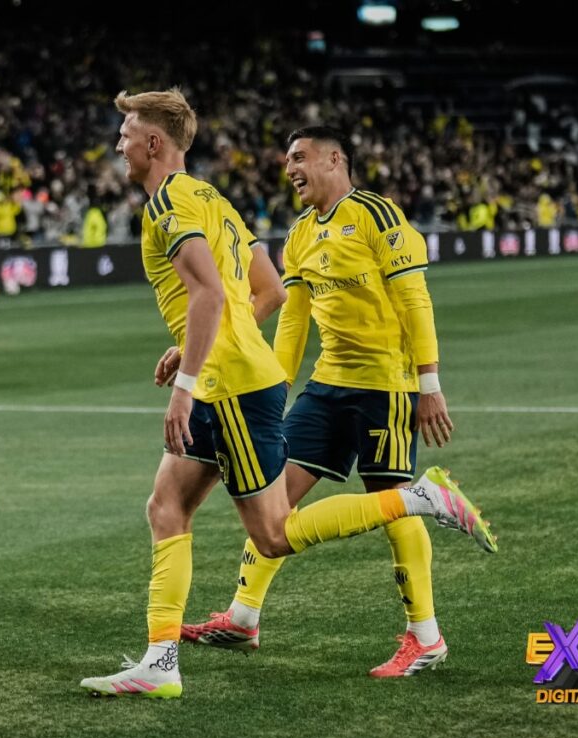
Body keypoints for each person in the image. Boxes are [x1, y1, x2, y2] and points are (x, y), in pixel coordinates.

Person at [79, 90, 496, 700]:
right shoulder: (214, 200)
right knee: (166, 506)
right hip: (269, 381)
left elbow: (210, 297)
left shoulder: (172, 203)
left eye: (125, 133)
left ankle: (421, 509)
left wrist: (188, 383)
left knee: (275, 530)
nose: (117, 143)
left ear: (153, 143)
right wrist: (227, 358)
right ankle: (173, 654)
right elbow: (273, 293)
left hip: (257, 386)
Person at [181, 126, 495, 678]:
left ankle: (426, 637)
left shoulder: (378, 216)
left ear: (335, 159)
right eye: (286, 161)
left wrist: (428, 384)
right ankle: (242, 617)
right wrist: (272, 391)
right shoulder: (300, 234)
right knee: (273, 497)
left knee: (394, 504)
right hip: (327, 388)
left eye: (299, 157)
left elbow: (414, 301)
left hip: (387, 387)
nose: (289, 169)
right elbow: (295, 320)